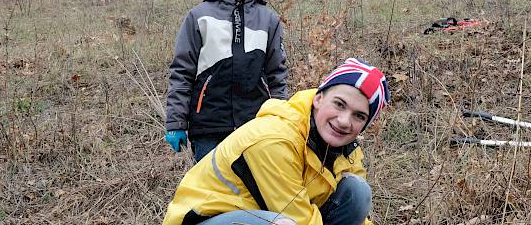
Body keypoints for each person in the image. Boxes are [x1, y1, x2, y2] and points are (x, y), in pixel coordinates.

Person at [162, 58, 391, 225]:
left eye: (359, 116)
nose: (344, 121)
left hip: (267, 213)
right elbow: (299, 219)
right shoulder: (275, 139)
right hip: (207, 219)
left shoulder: (346, 149)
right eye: (339, 104)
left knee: (356, 190)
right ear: (319, 98)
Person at [164, 0, 289, 163]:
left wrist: (279, 119)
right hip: (208, 127)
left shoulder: (268, 19)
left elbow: (277, 75)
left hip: (256, 127)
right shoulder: (199, 16)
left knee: (255, 193)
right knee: (211, 194)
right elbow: (181, 73)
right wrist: (176, 123)